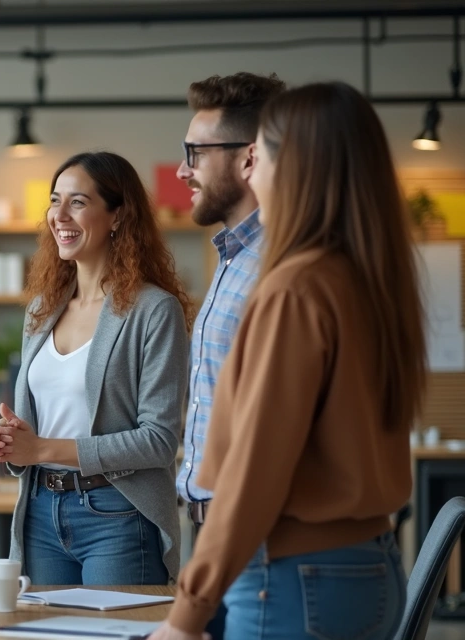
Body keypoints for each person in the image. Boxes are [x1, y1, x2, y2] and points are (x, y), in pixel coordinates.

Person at [151, 81, 424, 639]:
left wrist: (186, 615)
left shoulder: (294, 286)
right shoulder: (363, 275)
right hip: (363, 565)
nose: (252, 168)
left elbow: (255, 470)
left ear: (295, 165)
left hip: (293, 576)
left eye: (262, 153)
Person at [0, 151, 192, 587]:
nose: (59, 215)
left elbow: (158, 441)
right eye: (55, 200)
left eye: (77, 202)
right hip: (40, 510)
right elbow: (39, 427)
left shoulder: (154, 310)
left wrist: (40, 448)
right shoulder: (42, 309)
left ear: (117, 216)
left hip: (117, 513)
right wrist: (12, 442)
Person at [173, 71, 286, 639]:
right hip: (221, 534)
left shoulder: (277, 269)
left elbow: (264, 441)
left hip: (254, 539)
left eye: (194, 152)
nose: (181, 169)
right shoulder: (234, 260)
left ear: (248, 159)